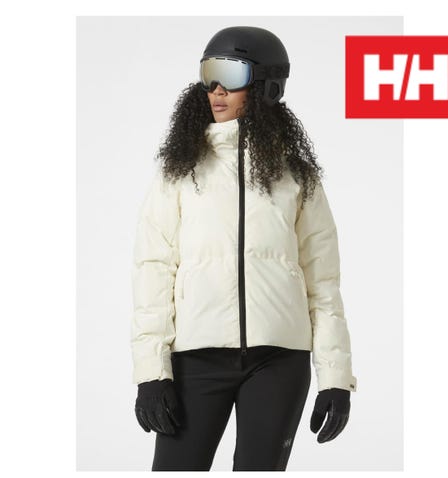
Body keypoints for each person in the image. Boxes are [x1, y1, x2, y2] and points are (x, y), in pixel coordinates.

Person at [130, 26, 357, 472]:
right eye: (208, 74)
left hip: (279, 361)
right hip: (195, 360)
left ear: (267, 85)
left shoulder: (297, 176)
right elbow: (153, 270)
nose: (216, 90)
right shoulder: (179, 171)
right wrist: (151, 372)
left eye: (231, 75)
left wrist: (335, 378)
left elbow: (323, 283)